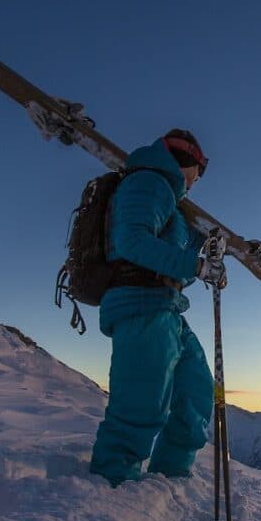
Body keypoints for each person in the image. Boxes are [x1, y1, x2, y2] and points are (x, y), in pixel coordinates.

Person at [89, 128, 227, 487]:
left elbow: (173, 252)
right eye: (202, 168)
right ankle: (111, 485)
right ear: (190, 161)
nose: (200, 179)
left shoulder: (172, 204)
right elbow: (132, 241)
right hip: (140, 303)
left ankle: (170, 479)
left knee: (196, 388)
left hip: (165, 308)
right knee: (141, 402)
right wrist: (197, 267)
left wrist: (206, 253)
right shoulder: (149, 182)